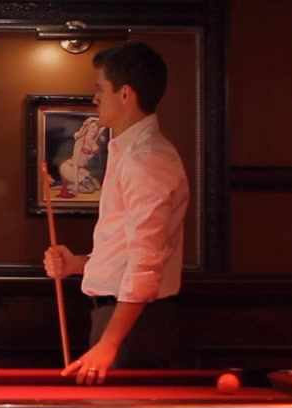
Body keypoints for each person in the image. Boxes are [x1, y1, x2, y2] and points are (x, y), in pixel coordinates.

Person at [42, 42, 190, 385]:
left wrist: (109, 343)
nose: (95, 98)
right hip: (124, 322)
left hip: (133, 327)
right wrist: (79, 264)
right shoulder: (129, 152)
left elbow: (145, 264)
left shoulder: (146, 159)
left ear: (125, 94)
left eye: (100, 88)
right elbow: (129, 251)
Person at [56, 116, 106, 198]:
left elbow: (104, 125)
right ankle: (66, 186)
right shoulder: (80, 141)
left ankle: (71, 184)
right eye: (93, 127)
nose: (95, 130)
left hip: (79, 168)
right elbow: (75, 163)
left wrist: (96, 120)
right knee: (90, 188)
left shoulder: (94, 139)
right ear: (88, 127)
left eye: (97, 128)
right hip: (69, 166)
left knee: (97, 185)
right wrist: (76, 185)